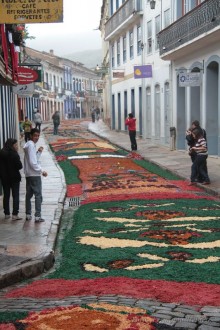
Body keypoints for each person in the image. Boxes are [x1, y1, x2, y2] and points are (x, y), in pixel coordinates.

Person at [23, 128, 48, 223]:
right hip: (34, 174)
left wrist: (39, 152)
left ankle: (28, 214)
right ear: (31, 136)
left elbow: (33, 159)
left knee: (28, 195)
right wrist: (41, 171)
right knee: (38, 195)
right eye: (35, 135)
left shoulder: (29, 145)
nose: (37, 137)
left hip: (29, 174)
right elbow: (33, 162)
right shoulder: (31, 145)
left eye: (38, 135)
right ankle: (37, 216)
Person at [0, 138, 23, 220]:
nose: (17, 146)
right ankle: (15, 214)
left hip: (5, 178)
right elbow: (20, 166)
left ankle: (6, 214)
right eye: (16, 145)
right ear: (12, 145)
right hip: (15, 178)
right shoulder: (14, 154)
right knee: (15, 196)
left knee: (6, 195)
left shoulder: (1, 153)